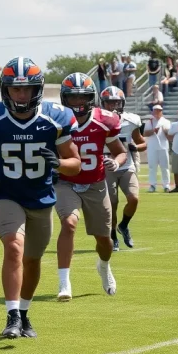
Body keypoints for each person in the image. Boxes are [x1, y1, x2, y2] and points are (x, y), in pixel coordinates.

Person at [0, 56, 81, 339]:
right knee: (13, 247)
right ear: (5, 90)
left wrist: (58, 163)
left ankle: (25, 312)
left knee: (32, 260)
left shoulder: (54, 118)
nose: (21, 94)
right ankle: (12, 315)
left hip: (41, 197)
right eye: (15, 89)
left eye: (27, 88)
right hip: (6, 195)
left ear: (37, 89)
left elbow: (75, 163)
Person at [55, 73, 126, 300]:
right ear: (64, 98)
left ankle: (103, 266)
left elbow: (120, 151)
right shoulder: (57, 120)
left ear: (91, 97)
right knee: (69, 223)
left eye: (82, 97)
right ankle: (64, 283)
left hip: (95, 183)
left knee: (104, 240)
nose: (78, 102)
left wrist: (116, 162)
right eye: (73, 97)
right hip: (65, 182)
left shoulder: (104, 120)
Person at [99, 87, 146, 252]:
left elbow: (142, 143)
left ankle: (124, 225)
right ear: (103, 103)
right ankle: (113, 235)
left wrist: (135, 147)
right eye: (109, 102)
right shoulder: (97, 121)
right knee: (112, 203)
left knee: (134, 198)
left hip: (126, 165)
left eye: (116, 102)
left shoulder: (131, 120)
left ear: (122, 103)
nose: (113, 106)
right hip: (107, 165)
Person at [143, 105, 171, 193]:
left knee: (165, 167)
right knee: (152, 167)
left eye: (159, 110)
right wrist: (153, 131)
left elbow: (169, 135)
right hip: (152, 147)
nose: (157, 112)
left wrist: (166, 131)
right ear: (153, 111)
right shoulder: (149, 122)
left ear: (161, 111)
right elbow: (145, 133)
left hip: (163, 147)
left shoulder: (166, 122)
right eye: (155, 110)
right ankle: (152, 185)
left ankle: (166, 185)